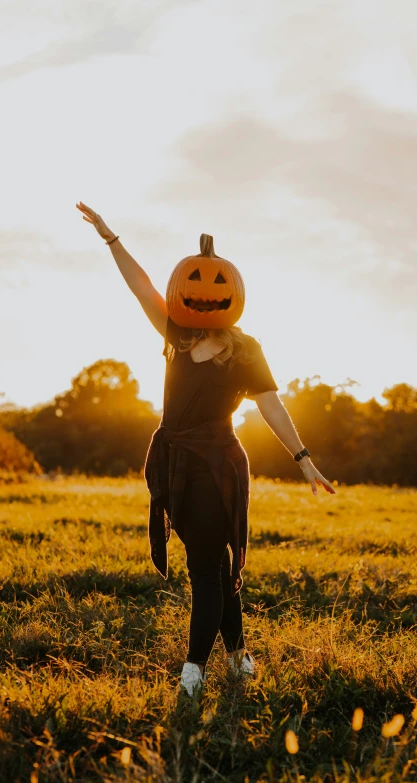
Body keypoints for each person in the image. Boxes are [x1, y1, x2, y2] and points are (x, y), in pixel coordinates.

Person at [76, 200, 336, 697]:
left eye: (217, 286)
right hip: (176, 461)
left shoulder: (247, 350)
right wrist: (111, 238)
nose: (204, 294)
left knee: (205, 570)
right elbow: (141, 288)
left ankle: (193, 672)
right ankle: (238, 658)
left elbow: (272, 407)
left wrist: (304, 461)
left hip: (218, 465)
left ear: (233, 295)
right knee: (214, 564)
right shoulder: (176, 332)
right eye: (195, 285)